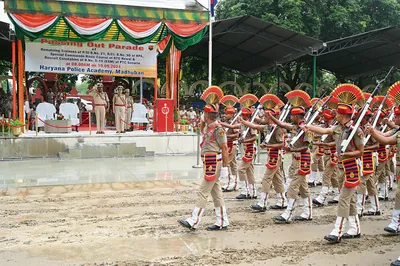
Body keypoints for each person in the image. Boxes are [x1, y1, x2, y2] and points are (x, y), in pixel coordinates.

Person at [305, 102, 364, 242]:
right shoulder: (338, 127)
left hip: (352, 168)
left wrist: (345, 155)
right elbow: (325, 131)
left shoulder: (356, 130)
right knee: (350, 201)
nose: (335, 115)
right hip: (341, 166)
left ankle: (337, 230)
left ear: (342, 115)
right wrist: (308, 127)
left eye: (337, 114)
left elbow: (360, 152)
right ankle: (355, 228)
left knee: (343, 199)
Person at [178, 103, 229, 231]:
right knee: (216, 193)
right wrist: (202, 120)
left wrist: (225, 168)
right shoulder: (210, 126)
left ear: (207, 115)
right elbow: (201, 129)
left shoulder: (218, 129)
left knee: (203, 192)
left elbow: (225, 148)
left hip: (213, 163)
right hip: (208, 162)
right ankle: (222, 221)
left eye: (204, 113)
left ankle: (194, 220)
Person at [268, 105, 313, 223]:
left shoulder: (306, 128)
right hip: (296, 159)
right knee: (303, 188)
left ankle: (289, 214)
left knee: (293, 188)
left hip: (303, 160)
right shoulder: (296, 127)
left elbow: (306, 146)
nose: (290, 117)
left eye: (292, 115)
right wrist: (272, 117)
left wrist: (291, 150)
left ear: (297, 116)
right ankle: (308, 212)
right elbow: (282, 125)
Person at [242, 104, 287, 212]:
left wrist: (268, 146)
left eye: (265, 117)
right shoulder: (268, 127)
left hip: (275, 156)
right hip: (271, 155)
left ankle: (263, 202)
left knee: (266, 179)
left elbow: (282, 144)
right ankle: (282, 201)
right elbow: (256, 126)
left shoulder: (278, 129)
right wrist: (243, 122)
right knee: (277, 180)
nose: (263, 119)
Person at [219, 106, 239, 192]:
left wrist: (226, 136)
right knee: (233, 165)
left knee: (226, 163)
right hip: (228, 144)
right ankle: (235, 183)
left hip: (231, 144)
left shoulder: (234, 123)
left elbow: (237, 135)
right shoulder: (227, 122)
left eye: (227, 113)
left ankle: (230, 183)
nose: (225, 115)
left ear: (231, 114)